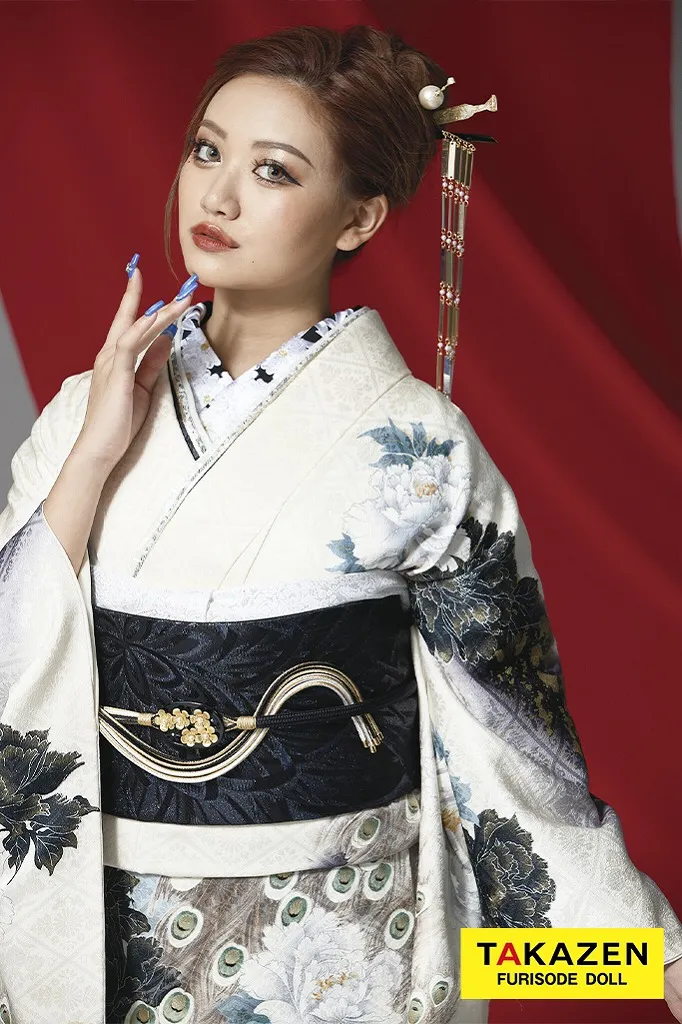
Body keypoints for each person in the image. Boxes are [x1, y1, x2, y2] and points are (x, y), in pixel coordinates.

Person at [0, 23, 680, 1024]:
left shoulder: (419, 449)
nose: (217, 196)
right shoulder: (82, 417)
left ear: (358, 218)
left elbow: (509, 755)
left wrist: (654, 962)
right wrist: (93, 461)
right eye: (207, 151)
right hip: (108, 941)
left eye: (272, 170)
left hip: (337, 951)